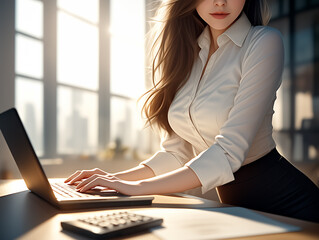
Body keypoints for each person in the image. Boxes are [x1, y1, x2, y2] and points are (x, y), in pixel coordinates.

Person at [65, 0, 319, 222]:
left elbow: (229, 152)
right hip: (238, 209)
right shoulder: (190, 53)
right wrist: (113, 180)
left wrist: (134, 187)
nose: (220, 2)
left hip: (291, 207)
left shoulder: (263, 42)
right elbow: (178, 152)